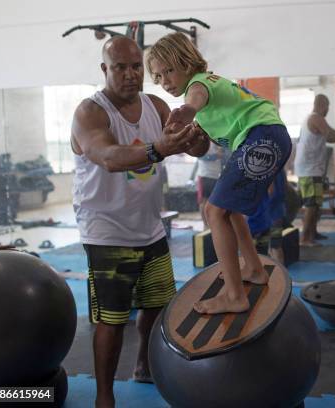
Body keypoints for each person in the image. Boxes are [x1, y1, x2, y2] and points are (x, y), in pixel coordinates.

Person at [70, 36, 207, 408]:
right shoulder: (91, 112)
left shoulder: (156, 105)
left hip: (150, 226)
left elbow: (198, 147)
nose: (131, 75)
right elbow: (108, 156)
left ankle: (144, 366)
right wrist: (159, 148)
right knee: (112, 321)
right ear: (105, 69)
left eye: (136, 67)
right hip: (106, 231)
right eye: (120, 67)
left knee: (157, 306)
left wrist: (195, 138)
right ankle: (103, 397)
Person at [146, 32, 292, 314]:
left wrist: (188, 110)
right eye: (158, 76)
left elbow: (196, 99)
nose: (165, 81)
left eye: (170, 71)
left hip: (261, 135)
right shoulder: (213, 81)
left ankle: (235, 296)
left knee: (213, 212)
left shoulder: (197, 86)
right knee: (229, 210)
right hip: (269, 135)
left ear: (187, 63)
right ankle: (253, 268)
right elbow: (203, 142)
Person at [295, 94, 335, 246]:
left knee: (316, 203)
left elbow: (333, 133)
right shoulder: (316, 118)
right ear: (323, 105)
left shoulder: (315, 118)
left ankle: (313, 233)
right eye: (328, 107)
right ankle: (305, 238)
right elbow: (331, 136)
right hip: (309, 170)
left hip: (312, 168)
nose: (328, 110)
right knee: (311, 204)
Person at [196, 143, 228, 228]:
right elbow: (199, 156)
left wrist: (222, 154)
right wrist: (215, 156)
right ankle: (205, 225)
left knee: (214, 202)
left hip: (216, 176)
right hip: (205, 175)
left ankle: (212, 224)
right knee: (204, 201)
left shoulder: (219, 142)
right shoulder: (203, 141)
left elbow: (224, 159)